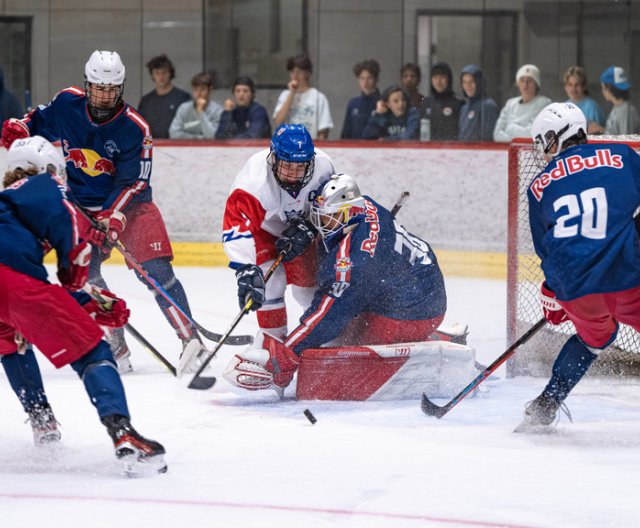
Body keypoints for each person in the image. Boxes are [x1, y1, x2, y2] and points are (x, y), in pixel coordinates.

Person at [0, 50, 206, 376]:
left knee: (154, 270)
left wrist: (112, 218)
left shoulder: (135, 127)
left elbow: (135, 182)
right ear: (88, 84)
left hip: (131, 206)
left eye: (112, 89)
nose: (105, 95)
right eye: (99, 87)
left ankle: (192, 342)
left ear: (120, 88)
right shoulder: (68, 103)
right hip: (82, 206)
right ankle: (117, 345)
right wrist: (18, 127)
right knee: (87, 276)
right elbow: (35, 121)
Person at [0, 135, 166, 475]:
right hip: (13, 285)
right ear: (49, 169)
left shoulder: (7, 201)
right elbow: (71, 269)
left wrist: (79, 299)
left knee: (11, 343)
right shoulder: (50, 189)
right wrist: (89, 299)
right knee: (94, 351)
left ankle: (42, 421)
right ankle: (123, 433)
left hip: (12, 286)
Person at [224, 173, 463, 397]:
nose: (322, 224)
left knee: (347, 342)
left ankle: (435, 341)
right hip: (420, 286)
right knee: (343, 323)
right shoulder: (364, 205)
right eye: (319, 217)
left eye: (328, 218)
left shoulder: (355, 262)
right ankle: (431, 334)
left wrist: (287, 354)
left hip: (412, 313)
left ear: (349, 213)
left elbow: (327, 317)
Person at [517, 102, 640, 431]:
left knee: (594, 338)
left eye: (543, 142)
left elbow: (547, 250)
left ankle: (546, 404)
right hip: (627, 276)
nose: (543, 152)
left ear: (555, 138)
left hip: (576, 290)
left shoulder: (539, 186)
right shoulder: (623, 156)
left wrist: (553, 292)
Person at [222, 123, 336, 340]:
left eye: (301, 167)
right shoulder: (253, 183)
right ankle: (272, 341)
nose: (294, 175)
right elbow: (236, 226)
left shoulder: (324, 166)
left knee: (308, 288)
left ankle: (318, 338)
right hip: (264, 231)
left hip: (304, 229)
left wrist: (312, 226)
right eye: (287, 166)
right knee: (269, 282)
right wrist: (245, 268)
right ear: (273, 159)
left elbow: (332, 204)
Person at [273, 54, 333, 139]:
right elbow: (278, 121)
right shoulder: (285, 95)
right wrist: (292, 93)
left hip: (310, 144)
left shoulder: (319, 97)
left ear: (308, 73)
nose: (295, 76)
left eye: (299, 72)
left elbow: (323, 130)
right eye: (292, 72)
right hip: (288, 145)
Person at [493, 64, 552, 142]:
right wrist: (517, 139)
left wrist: (510, 128)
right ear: (518, 84)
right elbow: (497, 135)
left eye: (529, 81)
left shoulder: (544, 103)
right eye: (522, 80)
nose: (525, 84)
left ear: (536, 84)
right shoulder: (510, 104)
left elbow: (533, 134)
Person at [137, 54, 191, 139]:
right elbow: (140, 127)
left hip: (178, 146)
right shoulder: (146, 101)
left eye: (164, 72)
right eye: (157, 73)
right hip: (152, 146)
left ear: (170, 73)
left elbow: (190, 125)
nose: (161, 76)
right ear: (152, 75)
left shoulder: (183, 97)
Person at [169, 72, 223, 139]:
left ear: (210, 90)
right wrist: (199, 138)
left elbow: (212, 136)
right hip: (185, 148)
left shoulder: (218, 111)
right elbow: (174, 134)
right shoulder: (183, 108)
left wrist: (200, 113)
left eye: (203, 89)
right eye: (195, 90)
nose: (198, 94)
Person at [420, 62, 463, 141]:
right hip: (430, 150)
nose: (438, 81)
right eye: (435, 77)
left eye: (442, 77)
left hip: (451, 150)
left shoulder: (458, 103)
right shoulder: (426, 103)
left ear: (448, 79)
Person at [341, 59, 381, 139]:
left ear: (376, 79)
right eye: (362, 78)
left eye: (369, 78)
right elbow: (346, 132)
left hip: (376, 148)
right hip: (355, 148)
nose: (365, 82)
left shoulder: (383, 103)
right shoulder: (353, 103)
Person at [458, 64, 499, 142]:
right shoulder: (464, 108)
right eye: (465, 82)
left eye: (472, 81)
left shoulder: (488, 105)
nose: (468, 85)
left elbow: (488, 137)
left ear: (479, 82)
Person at [598, 66, 640, 135]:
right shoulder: (619, 107)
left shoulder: (625, 111)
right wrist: (600, 129)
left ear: (609, 88)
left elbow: (626, 141)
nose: (602, 91)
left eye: (603, 88)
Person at [562, 66, 605, 135]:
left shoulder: (592, 107)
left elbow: (597, 135)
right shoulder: (563, 107)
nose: (573, 89)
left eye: (577, 85)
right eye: (570, 85)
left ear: (584, 86)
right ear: (565, 87)